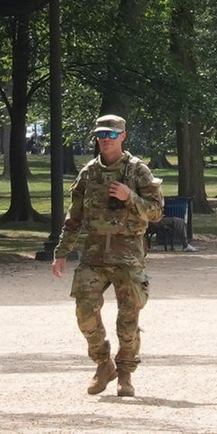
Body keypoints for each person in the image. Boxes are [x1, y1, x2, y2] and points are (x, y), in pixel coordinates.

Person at [52, 114, 164, 397]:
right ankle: (103, 363)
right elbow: (74, 217)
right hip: (94, 255)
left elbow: (156, 212)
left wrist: (131, 197)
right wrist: (62, 252)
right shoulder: (89, 173)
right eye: (101, 135)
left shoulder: (138, 171)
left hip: (127, 256)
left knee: (128, 319)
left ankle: (125, 373)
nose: (105, 140)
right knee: (84, 311)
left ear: (123, 136)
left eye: (112, 135)